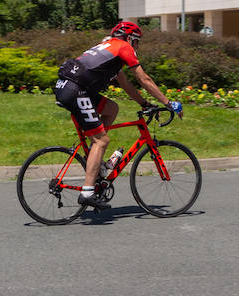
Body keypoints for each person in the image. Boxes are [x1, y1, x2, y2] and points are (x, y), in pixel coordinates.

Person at [53, 20, 183, 208]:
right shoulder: (123, 47)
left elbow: (126, 84)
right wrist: (168, 103)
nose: (137, 46)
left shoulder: (109, 48)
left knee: (112, 109)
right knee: (101, 141)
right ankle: (88, 192)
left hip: (68, 86)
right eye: (137, 41)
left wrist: (145, 103)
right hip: (76, 90)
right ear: (130, 38)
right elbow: (143, 79)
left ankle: (96, 164)